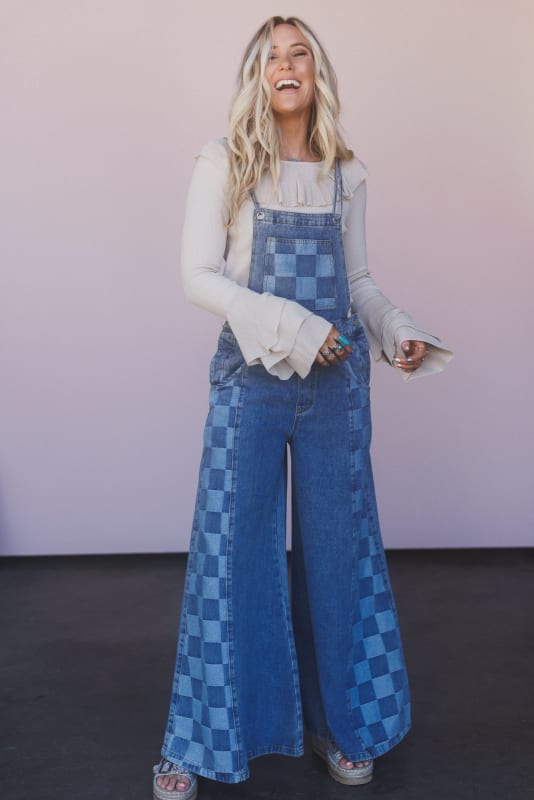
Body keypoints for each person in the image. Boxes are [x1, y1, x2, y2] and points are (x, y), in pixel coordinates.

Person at [152, 15, 453, 800]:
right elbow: (198, 277)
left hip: (336, 392)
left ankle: (343, 727)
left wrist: (398, 329)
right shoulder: (224, 162)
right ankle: (197, 739)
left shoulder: (348, 173)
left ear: (317, 75)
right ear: (256, 77)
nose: (286, 65)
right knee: (228, 557)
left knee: (339, 560)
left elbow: (358, 283)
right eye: (271, 57)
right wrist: (296, 327)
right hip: (250, 384)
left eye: (300, 55)